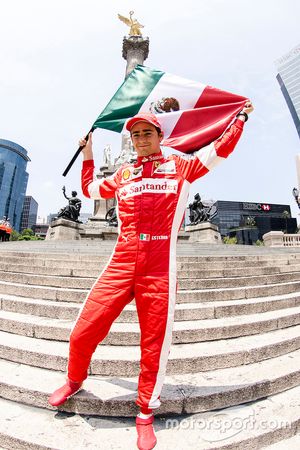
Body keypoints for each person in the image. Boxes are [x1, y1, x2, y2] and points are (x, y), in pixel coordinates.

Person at [49, 102, 254, 450]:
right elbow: (90, 190)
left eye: (147, 132)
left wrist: (241, 118)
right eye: (136, 133)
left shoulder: (181, 166)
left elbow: (220, 150)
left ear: (160, 135)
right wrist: (88, 152)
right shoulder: (124, 175)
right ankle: (74, 379)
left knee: (154, 345)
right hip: (122, 261)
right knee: (84, 328)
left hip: (159, 266)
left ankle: (145, 411)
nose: (141, 138)